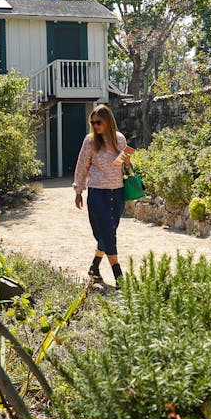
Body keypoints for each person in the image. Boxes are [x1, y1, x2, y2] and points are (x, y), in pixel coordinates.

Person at [73, 104, 134, 287]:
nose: (96, 126)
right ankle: (119, 277)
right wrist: (78, 190)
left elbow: (124, 166)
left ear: (108, 122)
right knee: (107, 233)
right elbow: (82, 165)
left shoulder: (120, 139)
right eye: (93, 123)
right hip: (97, 193)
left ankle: (94, 267)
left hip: (118, 191)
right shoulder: (90, 141)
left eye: (98, 122)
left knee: (108, 233)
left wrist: (127, 161)